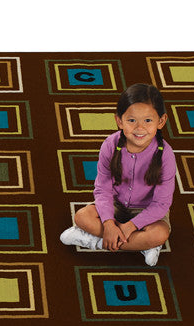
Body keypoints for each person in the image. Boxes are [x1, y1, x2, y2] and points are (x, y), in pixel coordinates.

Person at [59, 84, 175, 266]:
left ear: (161, 121)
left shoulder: (165, 155)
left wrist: (130, 226)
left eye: (148, 120)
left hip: (148, 211)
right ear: (119, 121)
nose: (140, 128)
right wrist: (108, 224)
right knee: (82, 216)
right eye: (131, 120)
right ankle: (140, 244)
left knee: (159, 234)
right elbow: (103, 189)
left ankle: (96, 242)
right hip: (116, 205)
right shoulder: (110, 145)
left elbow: (161, 204)